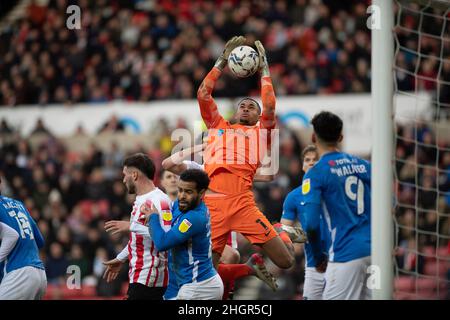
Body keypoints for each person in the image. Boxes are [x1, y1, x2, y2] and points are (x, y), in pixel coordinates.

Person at [197, 36, 296, 273]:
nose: (246, 107)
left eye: (252, 106)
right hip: (213, 205)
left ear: (257, 116)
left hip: (243, 203)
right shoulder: (217, 125)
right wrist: (221, 62)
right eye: (243, 104)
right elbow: (203, 93)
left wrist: (264, 69)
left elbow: (270, 106)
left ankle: (280, 231)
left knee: (286, 261)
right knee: (206, 270)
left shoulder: (262, 132)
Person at [162, 144, 279, 296]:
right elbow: (167, 164)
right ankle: (247, 269)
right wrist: (199, 146)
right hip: (202, 231)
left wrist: (268, 142)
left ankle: (249, 267)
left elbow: (268, 176)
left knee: (226, 262)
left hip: (220, 230)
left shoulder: (235, 170)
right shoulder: (197, 170)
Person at [301, 111, 371, 300]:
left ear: (313, 137)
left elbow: (311, 225)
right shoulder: (365, 166)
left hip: (345, 255)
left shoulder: (316, 173)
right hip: (376, 255)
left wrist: (317, 258)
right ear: (341, 137)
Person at [142, 169, 224, 300]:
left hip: (200, 287)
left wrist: (153, 218)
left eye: (188, 192)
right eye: (180, 190)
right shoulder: (181, 205)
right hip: (189, 284)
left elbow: (162, 243)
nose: (182, 196)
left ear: (201, 193)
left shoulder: (194, 218)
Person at [103, 153, 172, 300]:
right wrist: (121, 258)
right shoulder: (141, 200)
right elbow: (139, 239)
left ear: (134, 175)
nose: (123, 180)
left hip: (149, 276)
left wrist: (131, 226)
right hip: (139, 275)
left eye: (124, 175)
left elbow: (167, 236)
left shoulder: (160, 200)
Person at [280, 145, 330, 300]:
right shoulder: (293, 197)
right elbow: (283, 230)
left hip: (338, 261)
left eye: (316, 160)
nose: (311, 163)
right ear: (302, 165)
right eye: (307, 160)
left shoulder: (334, 191)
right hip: (313, 265)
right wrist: (298, 238)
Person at [0, 178, 47, 299]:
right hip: (40, 273)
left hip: (18, 272)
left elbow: (12, 236)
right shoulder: (19, 204)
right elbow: (40, 240)